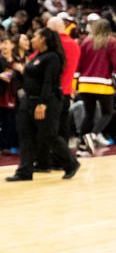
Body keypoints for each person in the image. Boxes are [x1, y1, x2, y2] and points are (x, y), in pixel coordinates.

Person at [6, 28, 80, 181]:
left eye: (35, 37)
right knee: (25, 134)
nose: (32, 40)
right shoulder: (36, 57)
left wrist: (42, 103)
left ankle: (71, 163)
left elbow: (49, 82)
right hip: (28, 100)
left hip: (47, 101)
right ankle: (24, 171)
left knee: (49, 135)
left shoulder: (53, 57)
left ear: (44, 39)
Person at [76, 18, 116, 154]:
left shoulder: (85, 42)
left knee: (89, 115)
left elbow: (78, 64)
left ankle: (82, 146)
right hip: (102, 84)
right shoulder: (111, 42)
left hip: (85, 84)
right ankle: (92, 136)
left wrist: (75, 83)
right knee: (107, 113)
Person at [36, 16, 80, 170]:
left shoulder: (54, 45)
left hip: (52, 93)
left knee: (49, 130)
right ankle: (60, 161)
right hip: (67, 91)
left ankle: (48, 161)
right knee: (63, 128)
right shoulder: (75, 44)